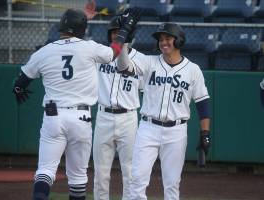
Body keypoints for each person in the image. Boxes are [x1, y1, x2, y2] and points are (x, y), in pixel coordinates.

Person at [12, 8, 140, 200]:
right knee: (78, 177)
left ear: (62, 26)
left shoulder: (45, 51)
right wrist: (124, 30)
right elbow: (114, 52)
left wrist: (18, 89)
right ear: (82, 29)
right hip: (81, 118)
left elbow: (21, 80)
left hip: (53, 116)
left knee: (46, 171)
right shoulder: (89, 47)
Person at [116, 22, 211, 200]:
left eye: (168, 38)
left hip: (176, 131)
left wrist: (205, 132)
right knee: (136, 180)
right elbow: (122, 66)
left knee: (172, 183)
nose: (163, 42)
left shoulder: (193, 70)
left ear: (179, 41)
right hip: (148, 128)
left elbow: (202, 103)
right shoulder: (149, 62)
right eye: (161, 39)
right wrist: (124, 43)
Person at [93, 15, 142, 200]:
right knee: (100, 173)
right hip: (103, 116)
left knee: (130, 172)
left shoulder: (141, 60)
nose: (117, 35)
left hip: (128, 119)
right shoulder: (100, 56)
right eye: (114, 32)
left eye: (121, 32)